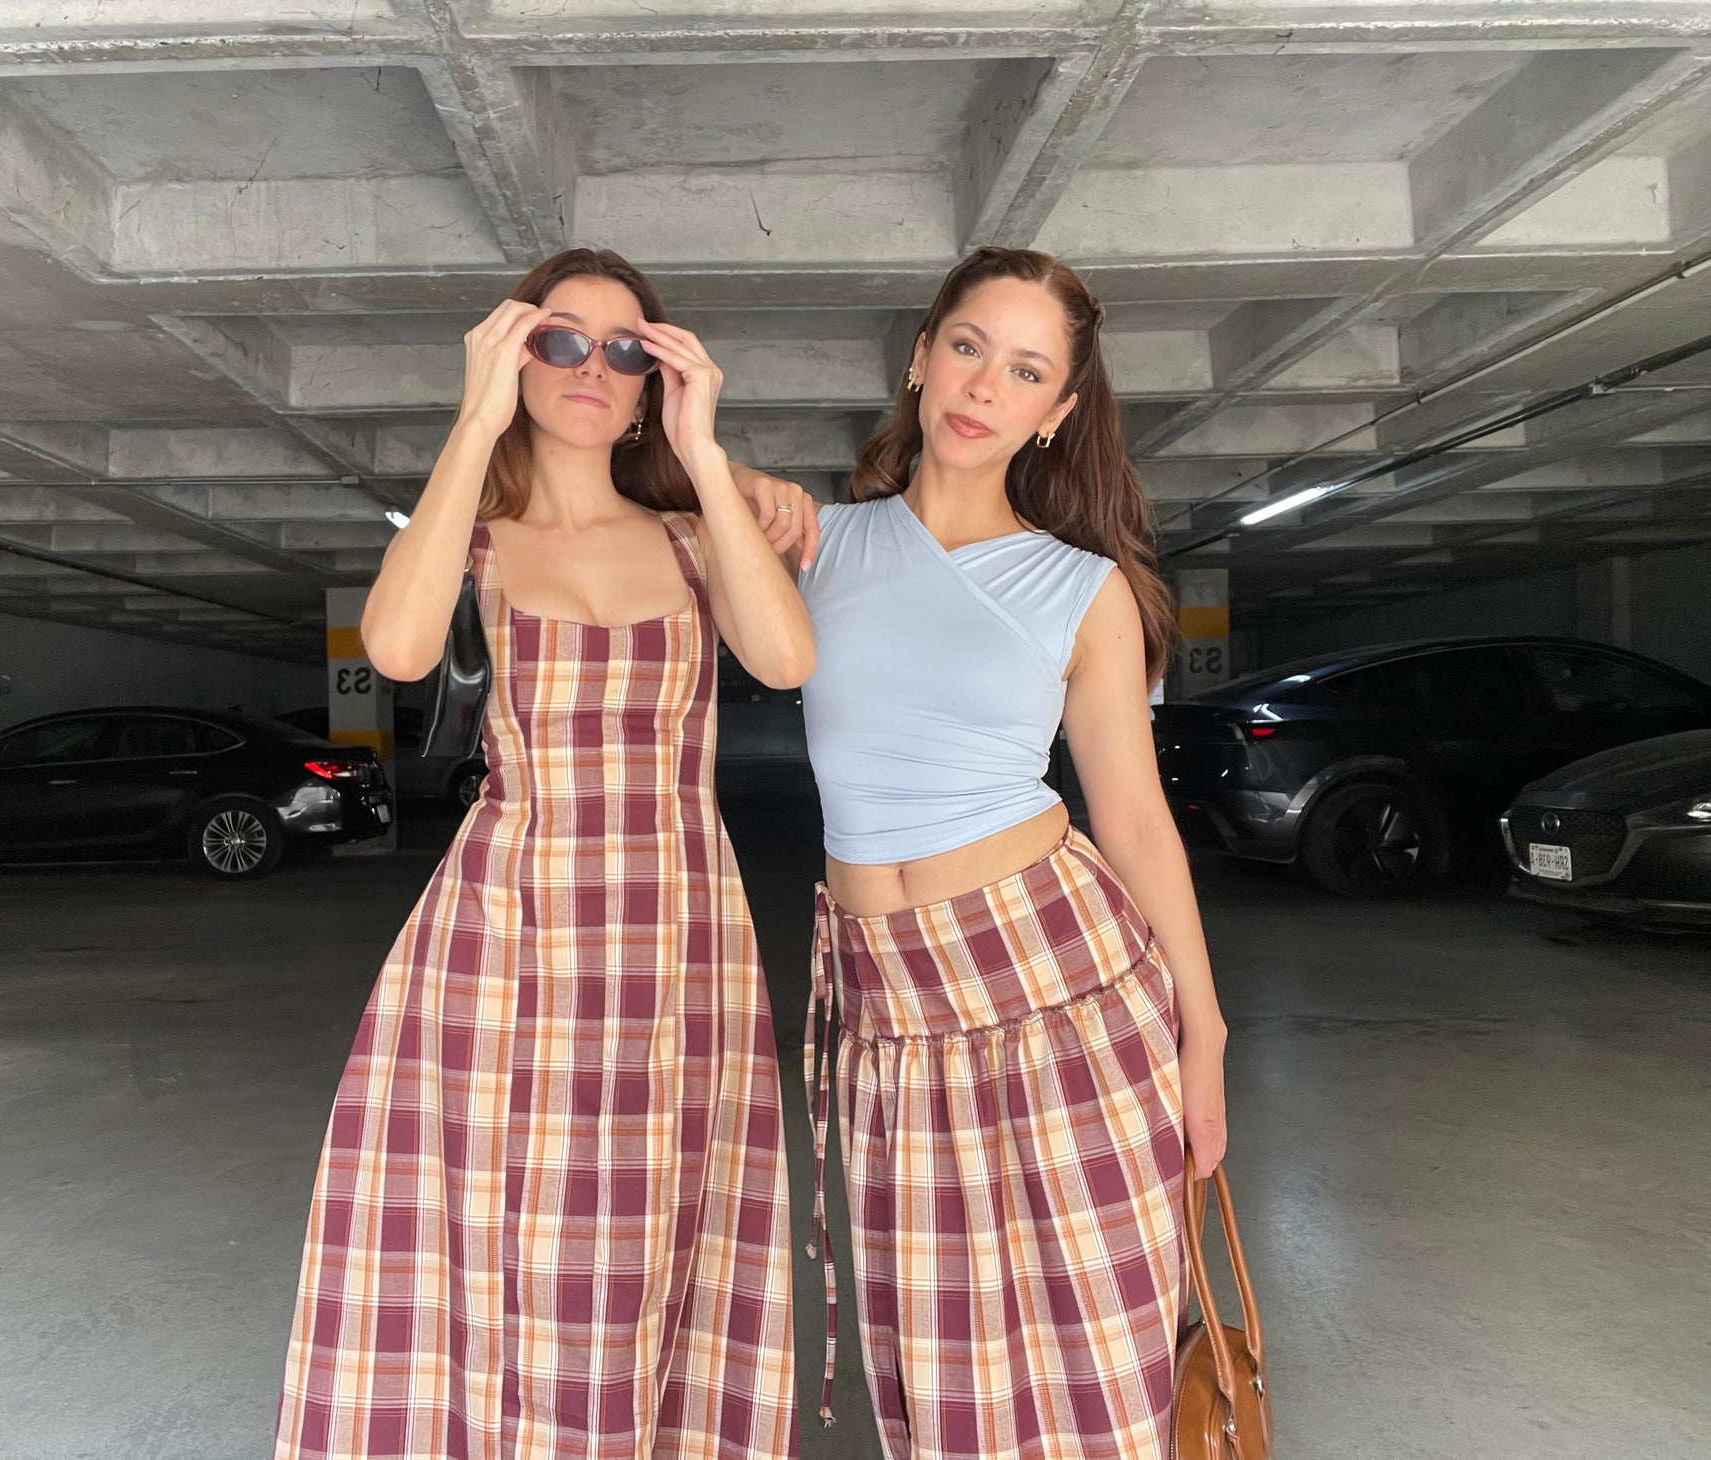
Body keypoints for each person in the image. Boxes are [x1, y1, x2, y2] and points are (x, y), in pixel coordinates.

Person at [272, 248, 812, 1460]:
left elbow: (784, 659)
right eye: (560, 339)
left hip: (677, 931)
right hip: (512, 933)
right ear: (516, 355)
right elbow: (396, 649)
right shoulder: (476, 541)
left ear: (652, 380)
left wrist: (708, 452)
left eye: (626, 349)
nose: (590, 366)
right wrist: (474, 416)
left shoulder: (692, 535)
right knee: (510, 1237)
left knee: (654, 1230)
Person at [741, 245, 1228, 1459]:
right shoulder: (816, 543)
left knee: (1096, 1354)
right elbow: (652, 495)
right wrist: (734, 477)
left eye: (1023, 369)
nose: (981, 386)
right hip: (892, 1014)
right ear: (920, 356)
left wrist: (1204, 1033)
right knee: (943, 1371)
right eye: (965, 346)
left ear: (1056, 410)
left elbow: (1132, 819)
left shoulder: (1082, 587)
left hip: (1063, 986)